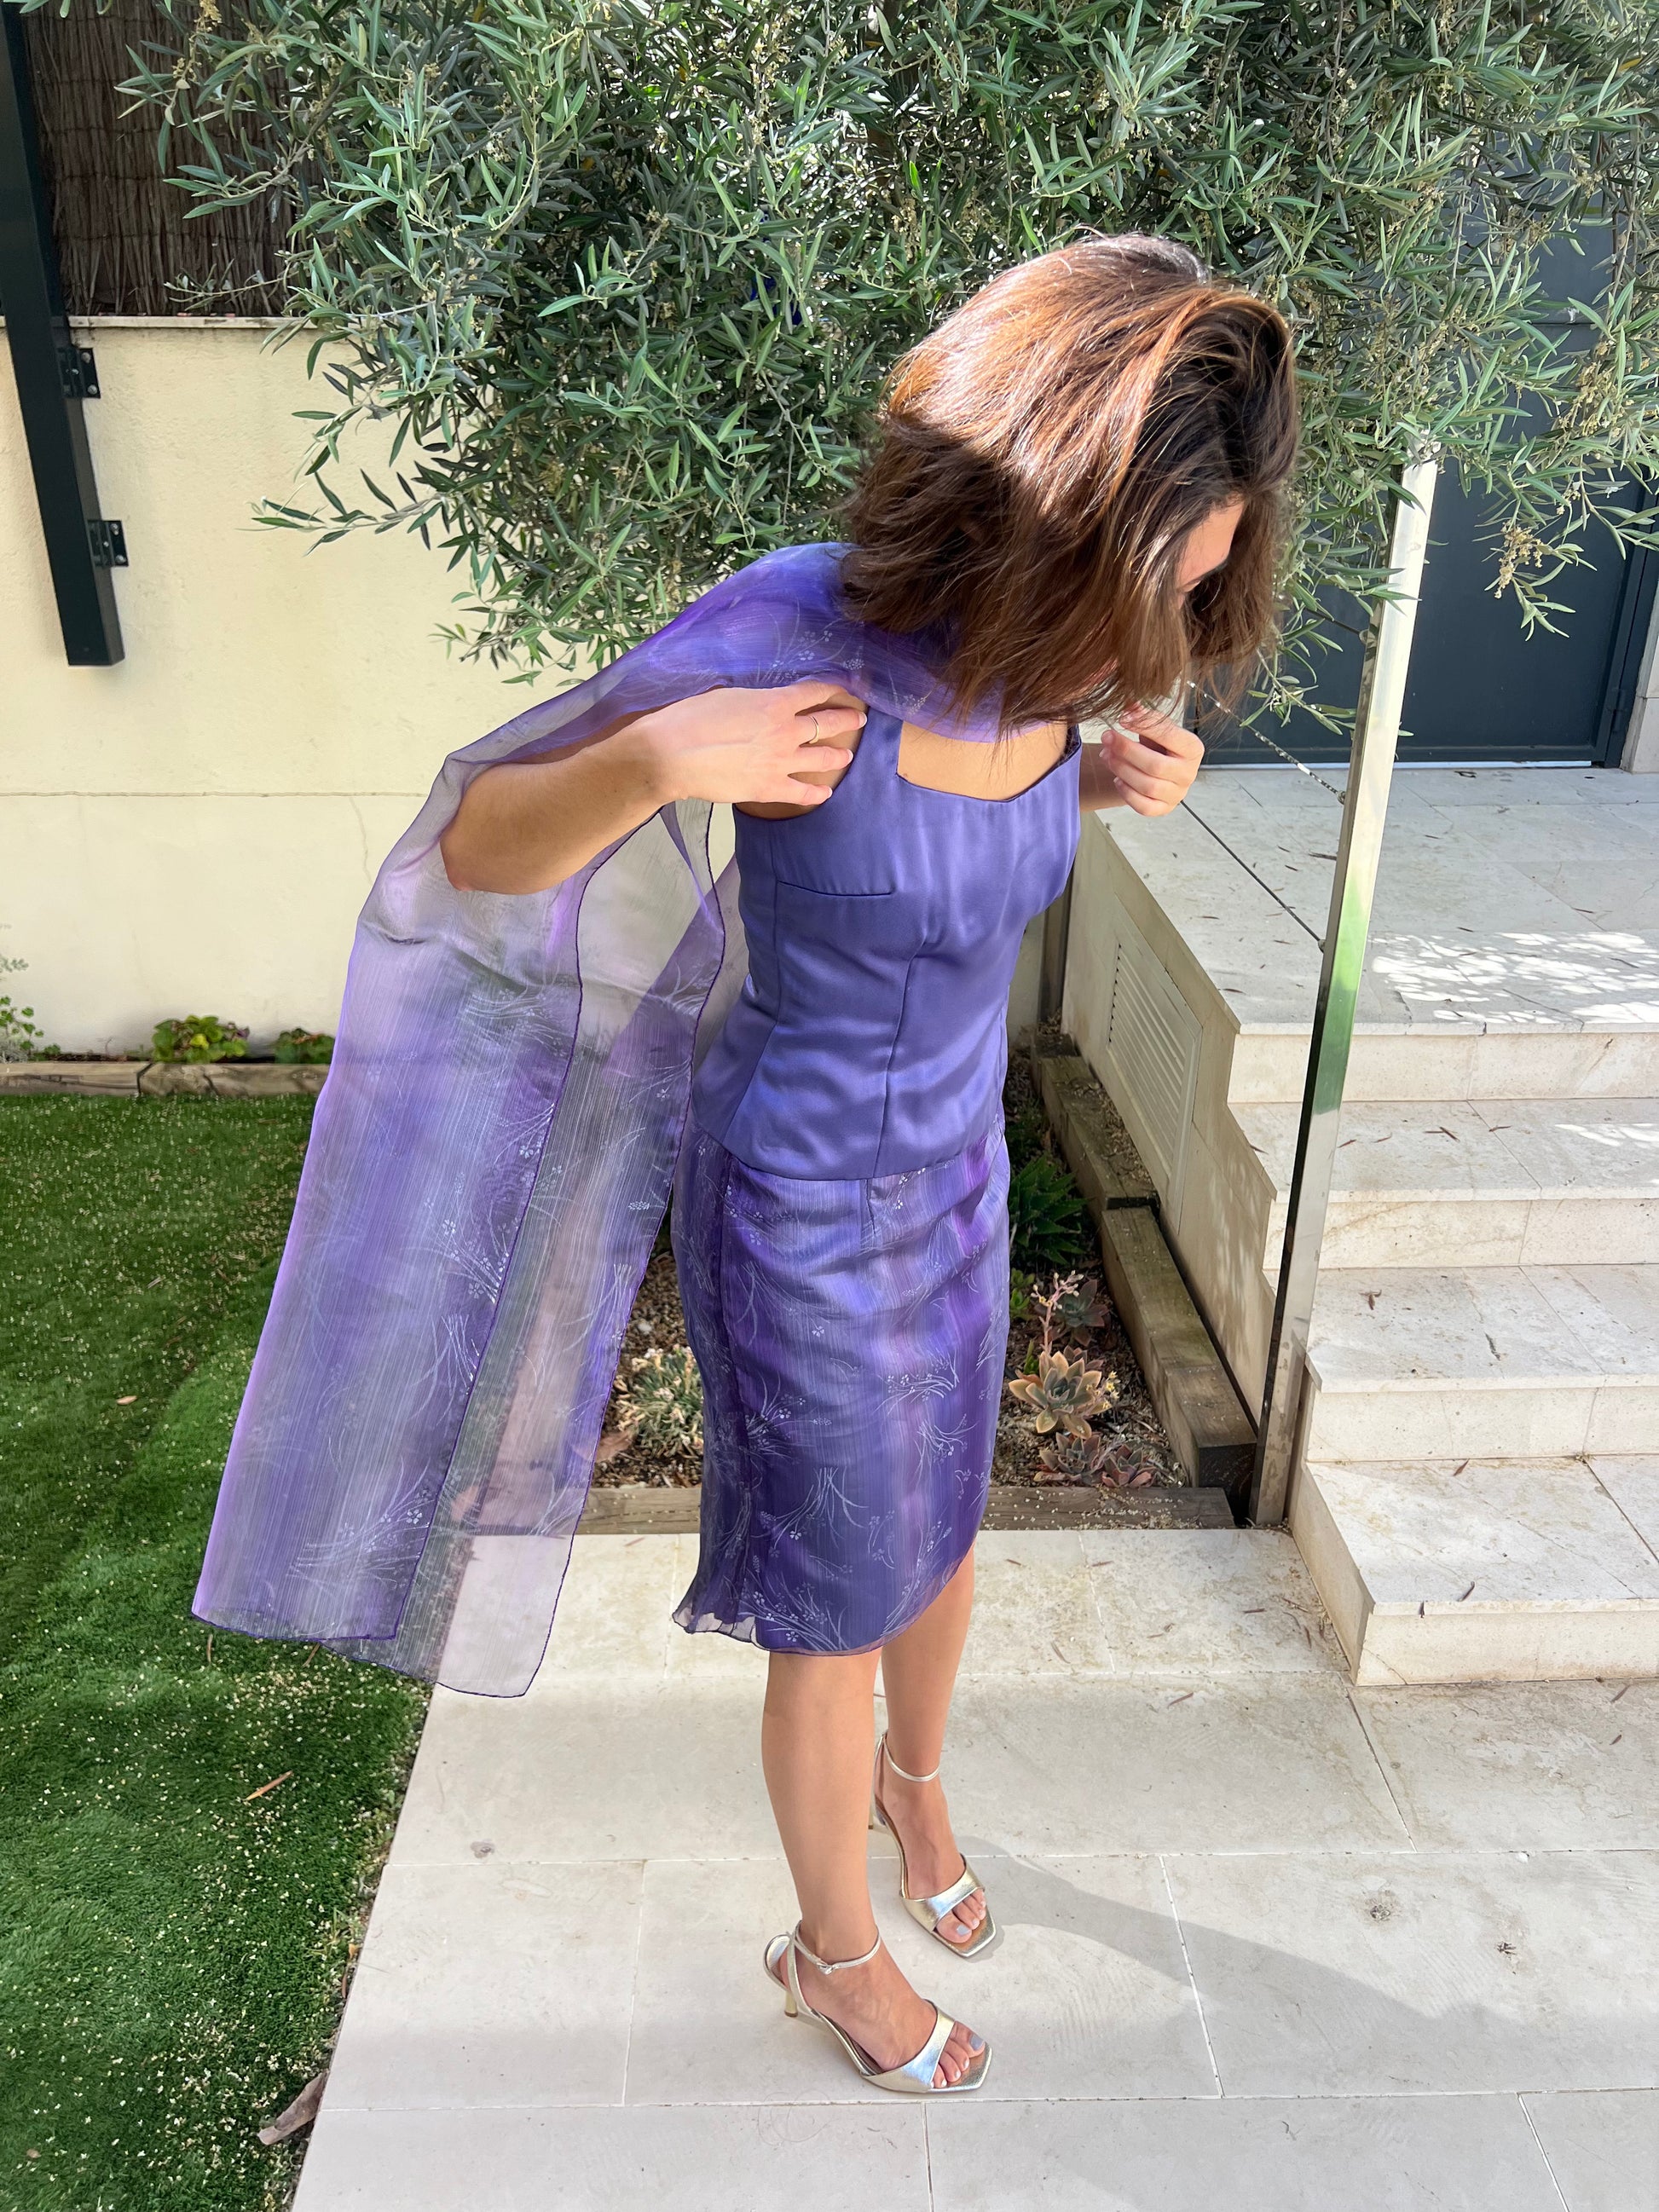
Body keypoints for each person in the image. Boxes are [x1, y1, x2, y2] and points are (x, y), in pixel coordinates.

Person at [194, 232, 1298, 2099]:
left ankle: (915, 1793)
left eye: (1191, 586)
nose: (1163, 632)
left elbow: (970, 832)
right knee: (841, 1593)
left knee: (943, 1533)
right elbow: (473, 849)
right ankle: (831, 1954)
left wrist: (1088, 777)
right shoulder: (795, 624)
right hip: (795, 1207)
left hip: (954, 1178)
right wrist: (657, 753)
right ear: (1034, 514)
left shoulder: (1057, 668)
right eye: (1152, 578)